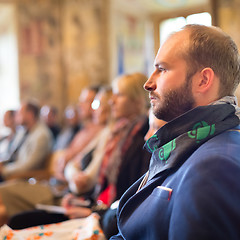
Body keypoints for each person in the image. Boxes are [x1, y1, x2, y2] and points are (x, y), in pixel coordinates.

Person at [110, 24, 240, 240]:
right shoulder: (189, 141)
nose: (148, 83)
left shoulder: (215, 166)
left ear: (203, 80)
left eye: (162, 69)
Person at [0, 100, 53, 181]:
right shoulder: (23, 132)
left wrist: (4, 170)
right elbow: (13, 155)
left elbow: (29, 165)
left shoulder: (41, 135)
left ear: (30, 114)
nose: (17, 116)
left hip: (26, 178)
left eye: (20, 113)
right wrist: (3, 163)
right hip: (13, 174)